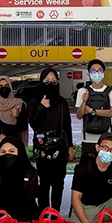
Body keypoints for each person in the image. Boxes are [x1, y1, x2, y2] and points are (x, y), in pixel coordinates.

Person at [28, 68, 74, 213]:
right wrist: (42, 107)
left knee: (58, 183)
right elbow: (33, 124)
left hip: (60, 146)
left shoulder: (61, 102)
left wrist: (70, 147)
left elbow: (67, 125)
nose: (50, 84)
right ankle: (43, 214)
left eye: (54, 81)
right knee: (44, 182)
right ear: (41, 82)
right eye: (47, 81)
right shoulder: (34, 99)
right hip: (41, 147)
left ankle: (55, 214)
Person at [70, 133, 112, 223]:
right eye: (105, 148)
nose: (108, 152)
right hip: (86, 208)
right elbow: (75, 198)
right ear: (97, 148)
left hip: (107, 208)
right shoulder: (84, 166)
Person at [0, 136, 41, 222]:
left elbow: (29, 201)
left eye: (11, 151)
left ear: (19, 151)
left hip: (23, 213)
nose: (7, 155)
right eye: (3, 152)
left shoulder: (30, 172)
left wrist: (11, 217)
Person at [76, 60, 112, 158]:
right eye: (93, 71)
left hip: (106, 139)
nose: (97, 74)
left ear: (104, 72)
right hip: (87, 139)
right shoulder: (82, 91)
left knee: (105, 169)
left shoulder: (111, 91)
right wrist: (84, 101)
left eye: (99, 71)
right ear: (89, 74)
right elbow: (79, 115)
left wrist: (92, 111)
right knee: (87, 169)